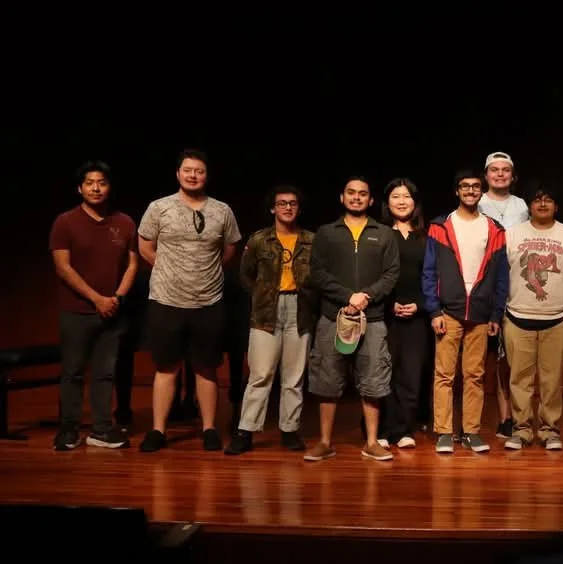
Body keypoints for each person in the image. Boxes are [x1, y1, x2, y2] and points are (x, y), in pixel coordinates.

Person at [137, 149, 241, 452]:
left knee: (206, 367)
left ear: (206, 175)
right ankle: (158, 430)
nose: (193, 175)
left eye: (199, 170)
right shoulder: (159, 207)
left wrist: (204, 271)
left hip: (208, 301)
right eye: (188, 170)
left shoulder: (222, 210)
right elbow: (145, 246)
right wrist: (170, 271)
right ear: (178, 174)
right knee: (166, 366)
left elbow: (230, 249)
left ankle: (209, 428)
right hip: (166, 300)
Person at [304, 176, 399, 462]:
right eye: (351, 193)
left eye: (362, 194)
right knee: (327, 380)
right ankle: (324, 442)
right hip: (333, 316)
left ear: (371, 200)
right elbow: (318, 273)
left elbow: (391, 273)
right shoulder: (326, 233)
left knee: (373, 380)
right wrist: (348, 297)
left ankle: (371, 442)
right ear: (342, 197)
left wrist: (366, 296)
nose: (356, 197)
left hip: (373, 318)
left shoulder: (384, 234)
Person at [48, 160, 138, 450]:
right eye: (90, 183)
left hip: (113, 311)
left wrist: (117, 298)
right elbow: (63, 267)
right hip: (76, 311)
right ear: (80, 188)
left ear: (109, 187)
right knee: (72, 372)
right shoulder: (65, 222)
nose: (96, 188)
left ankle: (101, 429)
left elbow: (132, 264)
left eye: (102, 183)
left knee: (105, 373)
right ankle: (68, 430)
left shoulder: (125, 222)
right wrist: (97, 299)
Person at [422, 169, 508, 454]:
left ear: (481, 191)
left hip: (481, 313)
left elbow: (501, 276)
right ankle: (444, 432)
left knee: (475, 375)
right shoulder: (440, 226)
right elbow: (429, 272)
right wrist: (434, 311)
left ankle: (471, 431)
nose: (470, 191)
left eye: (475, 186)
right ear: (456, 191)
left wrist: (496, 314)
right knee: (444, 374)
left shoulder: (495, 229)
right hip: (448, 310)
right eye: (464, 186)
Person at [225, 185, 314, 455]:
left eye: (293, 203)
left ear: (299, 208)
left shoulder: (311, 240)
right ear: (273, 208)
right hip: (266, 311)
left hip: (299, 309)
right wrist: (262, 296)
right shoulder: (260, 239)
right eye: (282, 203)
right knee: (260, 373)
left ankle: (290, 430)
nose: (288, 207)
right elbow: (245, 274)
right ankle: (245, 431)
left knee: (294, 376)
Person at [502, 180, 563, 451]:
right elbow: (500, 276)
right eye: (537, 199)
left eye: (548, 199)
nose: (542, 204)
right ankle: (521, 430)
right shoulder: (512, 235)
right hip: (517, 318)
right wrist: (503, 312)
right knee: (519, 380)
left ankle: (550, 430)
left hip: (558, 320)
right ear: (529, 205)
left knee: (552, 382)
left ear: (556, 206)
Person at [478, 151, 528, 439]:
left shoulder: (522, 206)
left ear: (512, 175)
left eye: (505, 170)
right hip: (484, 287)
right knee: (485, 360)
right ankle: (480, 420)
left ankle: (512, 418)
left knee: (511, 360)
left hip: (517, 287)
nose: (499, 174)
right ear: (486, 175)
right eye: (494, 170)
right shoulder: (477, 201)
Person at [379, 178, 431, 449]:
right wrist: (390, 305)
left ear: (415, 202)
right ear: (387, 202)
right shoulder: (379, 234)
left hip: (417, 316)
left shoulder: (426, 237)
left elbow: (432, 277)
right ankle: (382, 429)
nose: (401, 201)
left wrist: (420, 305)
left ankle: (404, 430)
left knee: (411, 376)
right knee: (383, 373)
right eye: (396, 196)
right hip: (385, 314)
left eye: (406, 196)